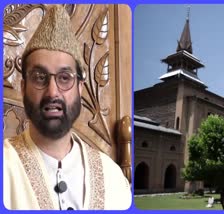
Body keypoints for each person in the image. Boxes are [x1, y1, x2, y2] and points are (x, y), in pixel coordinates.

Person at [3, 5, 131, 210]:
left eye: (64, 78)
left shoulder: (113, 178)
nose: (52, 92)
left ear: (80, 88)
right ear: (23, 87)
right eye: (39, 77)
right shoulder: (6, 166)